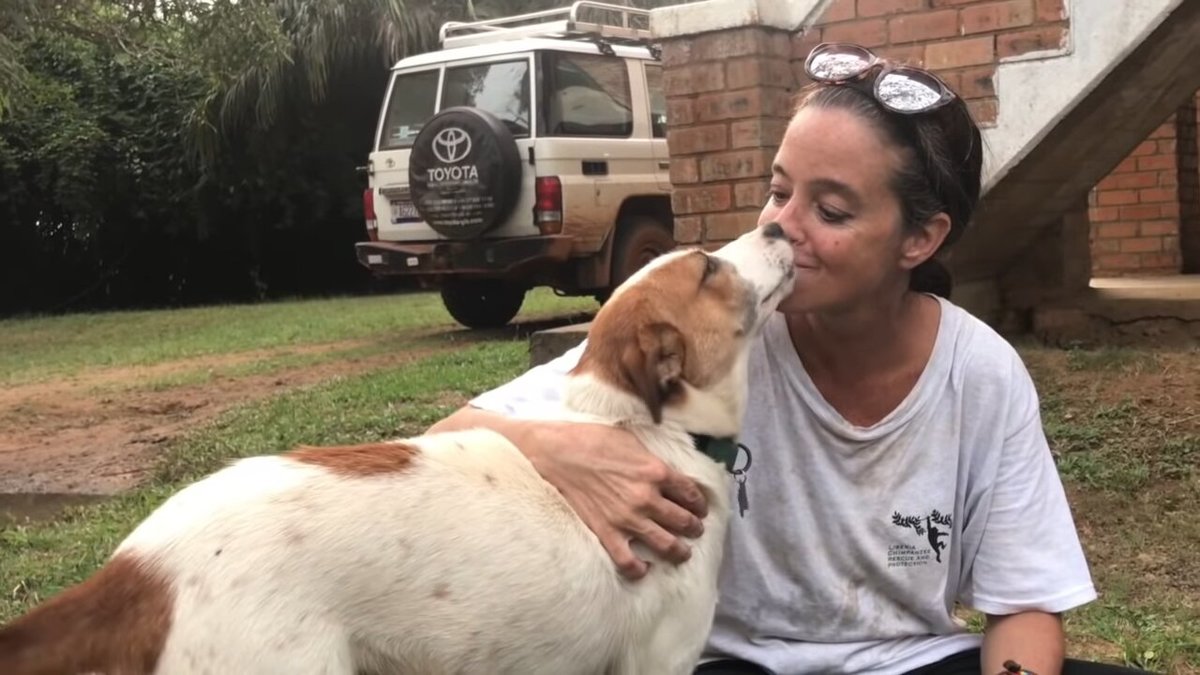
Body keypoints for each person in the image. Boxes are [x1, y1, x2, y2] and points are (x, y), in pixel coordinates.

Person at [429, 43, 1144, 675]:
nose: (780, 225)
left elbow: (1023, 605)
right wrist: (561, 450)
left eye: (830, 211)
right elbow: (448, 436)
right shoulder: (714, 336)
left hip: (911, 659)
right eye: (778, 190)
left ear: (919, 239)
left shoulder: (978, 372)